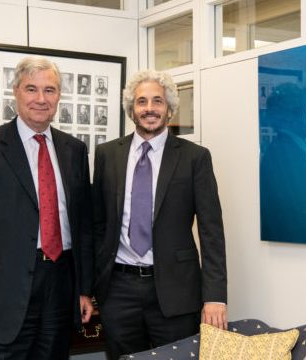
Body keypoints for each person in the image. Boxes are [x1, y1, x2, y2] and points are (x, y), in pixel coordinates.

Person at [0, 55, 94, 360]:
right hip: (3, 294)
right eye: (31, 89)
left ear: (59, 96)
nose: (41, 99)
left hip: (60, 286)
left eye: (49, 90)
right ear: (16, 92)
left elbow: (84, 226)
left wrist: (84, 289)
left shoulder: (75, 150)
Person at [92, 70, 228, 360]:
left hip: (176, 291)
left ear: (169, 109)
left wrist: (214, 296)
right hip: (118, 291)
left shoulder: (195, 158)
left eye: (157, 101)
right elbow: (97, 224)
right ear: (132, 109)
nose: (149, 109)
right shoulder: (107, 155)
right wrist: (90, 286)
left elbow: (211, 231)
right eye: (142, 102)